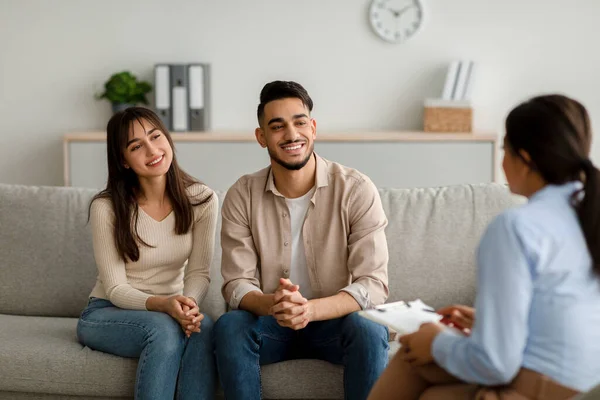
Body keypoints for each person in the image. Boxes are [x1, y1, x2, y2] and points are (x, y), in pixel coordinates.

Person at [368, 94, 600, 400]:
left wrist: (434, 342)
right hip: (586, 385)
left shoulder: (517, 226)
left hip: (548, 389)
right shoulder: (588, 211)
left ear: (525, 158)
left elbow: (496, 365)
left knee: (413, 354)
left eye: (505, 149)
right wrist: (488, 322)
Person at [213, 81, 390, 400]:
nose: (291, 134)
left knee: (370, 328)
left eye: (299, 122)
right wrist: (276, 305)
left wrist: (309, 310)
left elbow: (373, 284)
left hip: (334, 324)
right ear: (261, 137)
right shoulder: (242, 193)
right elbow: (237, 284)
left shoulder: (355, 189)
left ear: (313, 127)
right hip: (270, 324)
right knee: (230, 326)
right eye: (277, 126)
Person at [76, 107, 218, 400]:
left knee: (205, 327)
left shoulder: (202, 200)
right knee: (164, 331)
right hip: (106, 312)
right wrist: (165, 305)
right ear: (124, 161)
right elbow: (115, 288)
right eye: (136, 146)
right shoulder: (107, 208)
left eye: (155, 136)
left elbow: (199, 272)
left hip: (171, 309)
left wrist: (188, 306)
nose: (152, 150)